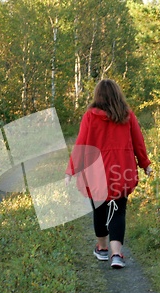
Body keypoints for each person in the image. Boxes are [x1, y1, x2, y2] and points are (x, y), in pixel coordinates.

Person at [65, 79, 152, 269]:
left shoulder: (90, 116)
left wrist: (71, 170)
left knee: (100, 210)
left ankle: (102, 249)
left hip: (96, 173)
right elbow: (139, 142)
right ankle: (117, 255)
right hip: (122, 170)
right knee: (118, 211)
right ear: (117, 94)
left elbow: (81, 144)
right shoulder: (127, 115)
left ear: (98, 96)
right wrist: (145, 164)